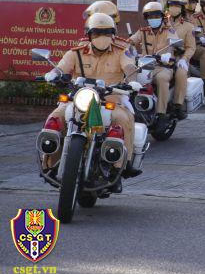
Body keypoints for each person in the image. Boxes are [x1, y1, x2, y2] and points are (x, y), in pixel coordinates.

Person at [40, 13, 140, 190]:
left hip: (111, 99)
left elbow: (130, 66)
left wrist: (132, 80)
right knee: (55, 117)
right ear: (89, 34)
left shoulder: (121, 51)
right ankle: (49, 163)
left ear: (113, 34)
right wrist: (53, 74)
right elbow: (61, 67)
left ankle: (120, 167)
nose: (102, 37)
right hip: (79, 99)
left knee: (123, 119)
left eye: (107, 33)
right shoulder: (76, 52)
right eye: (97, 33)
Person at [129, 2, 188, 126]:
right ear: (146, 18)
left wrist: (168, 54)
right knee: (129, 80)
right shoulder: (143, 32)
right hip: (145, 67)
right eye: (150, 16)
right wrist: (128, 47)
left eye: (156, 16)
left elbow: (175, 43)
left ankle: (161, 114)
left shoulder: (169, 30)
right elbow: (130, 41)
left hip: (163, 67)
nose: (153, 19)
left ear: (161, 17)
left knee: (162, 79)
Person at [165, 0, 197, 119]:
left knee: (181, 73)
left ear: (182, 8)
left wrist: (184, 59)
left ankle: (178, 105)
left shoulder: (188, 26)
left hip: (179, 57)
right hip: (162, 56)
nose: (174, 8)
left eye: (177, 6)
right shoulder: (161, 23)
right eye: (171, 5)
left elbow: (191, 47)